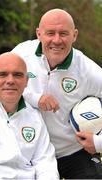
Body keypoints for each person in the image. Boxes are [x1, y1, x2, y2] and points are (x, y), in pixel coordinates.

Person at [12, 8, 102, 179]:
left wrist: (98, 142)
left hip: (72, 152)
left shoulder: (88, 70)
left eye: (63, 33)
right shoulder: (21, 54)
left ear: (74, 35)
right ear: (39, 33)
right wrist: (35, 98)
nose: (56, 40)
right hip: (28, 151)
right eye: (50, 33)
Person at [0, 52, 59, 179]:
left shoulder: (34, 116)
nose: (10, 81)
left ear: (26, 81)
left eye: (17, 75)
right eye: (2, 74)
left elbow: (45, 163)